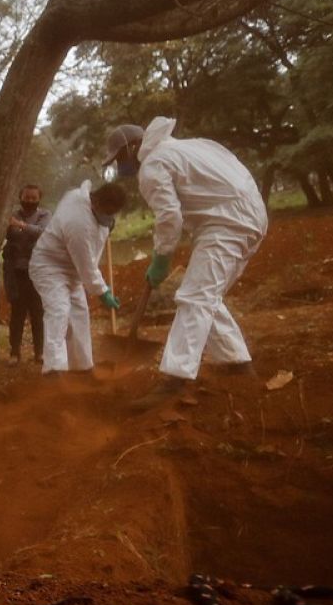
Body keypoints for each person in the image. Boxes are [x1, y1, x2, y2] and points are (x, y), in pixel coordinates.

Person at [106, 118, 269, 403]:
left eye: (120, 157)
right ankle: (238, 364)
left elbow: (170, 217)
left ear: (134, 147)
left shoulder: (154, 165)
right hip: (252, 219)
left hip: (225, 224)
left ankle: (176, 381)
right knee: (207, 296)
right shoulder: (193, 146)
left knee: (195, 297)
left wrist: (161, 259)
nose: (122, 166)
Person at [27, 182, 126, 377]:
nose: (109, 216)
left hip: (71, 269)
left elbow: (88, 260)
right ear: (95, 201)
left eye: (113, 213)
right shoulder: (78, 223)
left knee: (79, 314)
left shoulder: (78, 197)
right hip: (49, 266)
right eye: (107, 211)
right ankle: (54, 369)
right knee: (59, 310)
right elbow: (87, 267)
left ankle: (82, 367)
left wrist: (104, 227)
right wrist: (103, 292)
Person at [0, 185, 50, 365]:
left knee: (38, 313)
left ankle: (40, 352)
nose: (29, 201)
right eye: (26, 197)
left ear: (39, 198)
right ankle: (14, 353)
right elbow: (7, 233)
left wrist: (20, 226)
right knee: (17, 314)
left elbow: (42, 233)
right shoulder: (11, 214)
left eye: (33, 198)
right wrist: (27, 229)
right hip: (15, 273)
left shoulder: (45, 216)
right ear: (20, 197)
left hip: (38, 272)